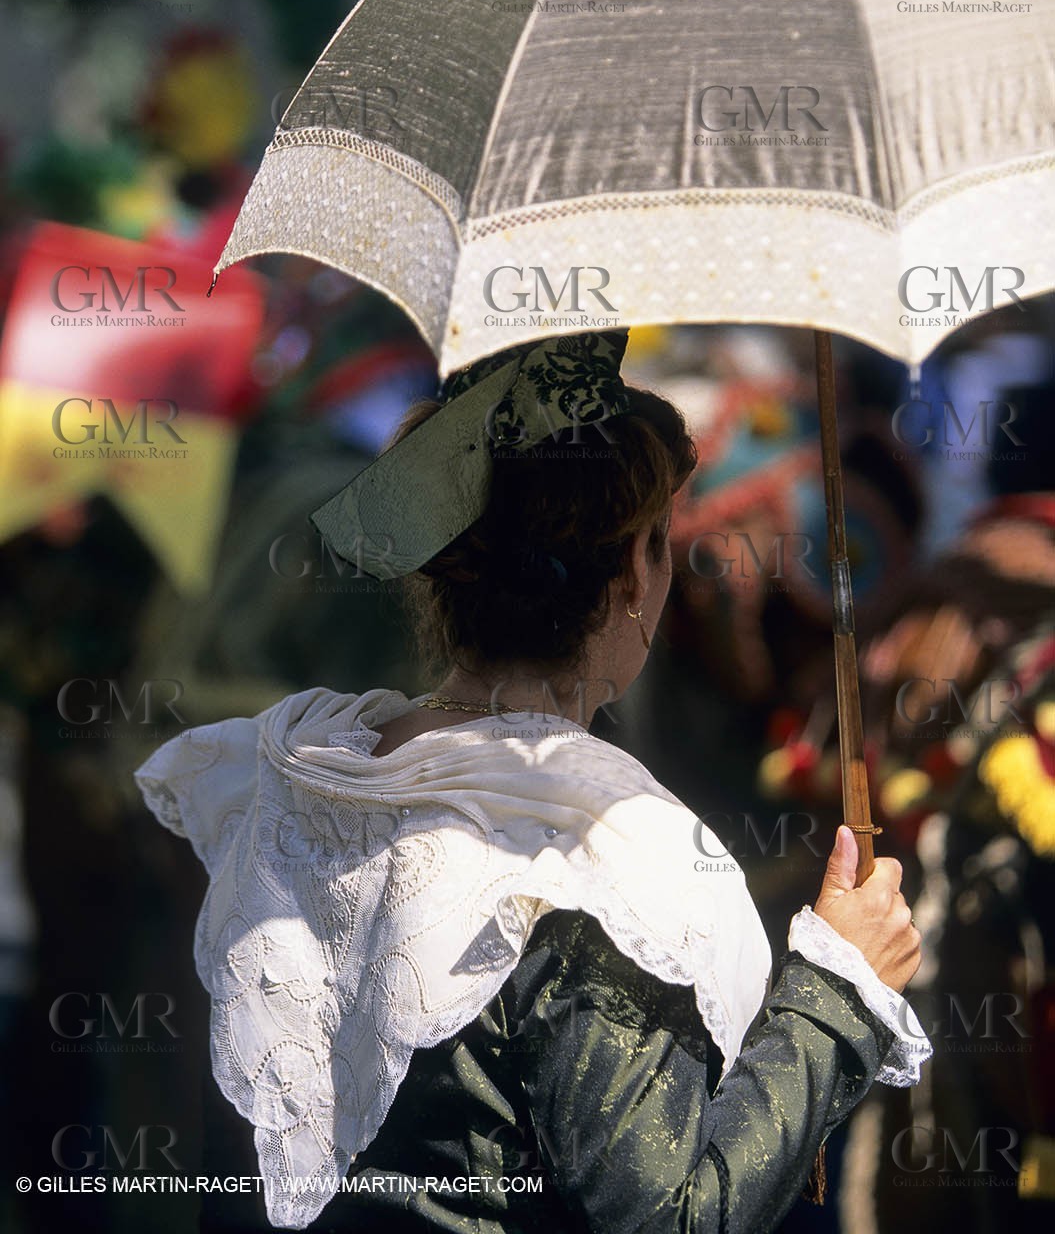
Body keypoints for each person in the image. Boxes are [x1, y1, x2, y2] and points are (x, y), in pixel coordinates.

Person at [136, 329, 930, 1233]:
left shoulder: (290, 777)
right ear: (636, 569)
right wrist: (840, 988)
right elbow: (671, 1219)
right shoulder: (597, 856)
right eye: (661, 544)